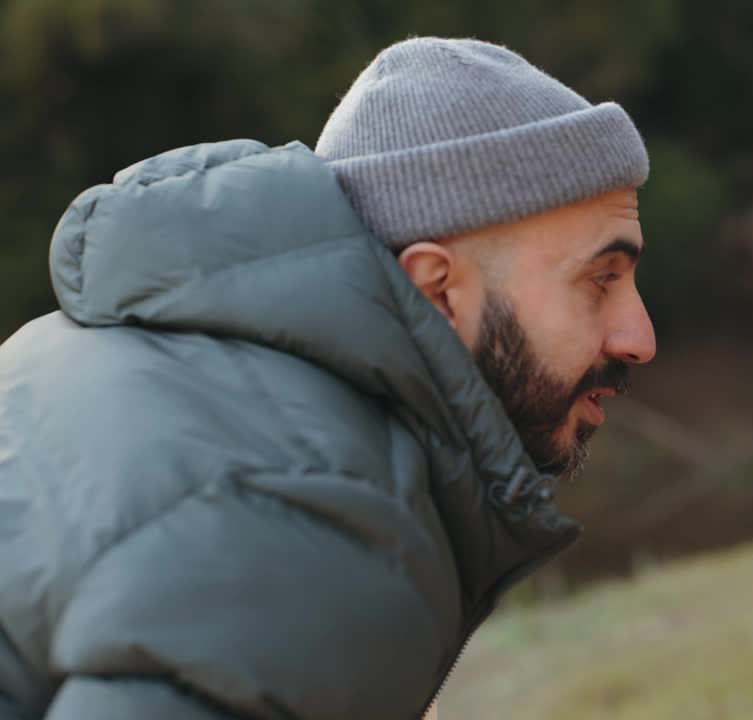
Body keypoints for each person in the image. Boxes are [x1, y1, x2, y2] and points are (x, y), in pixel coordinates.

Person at [0, 37, 654, 719]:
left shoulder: (78, 356)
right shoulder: (321, 520)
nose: (640, 338)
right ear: (437, 292)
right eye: (600, 279)